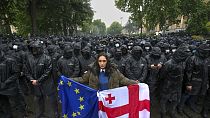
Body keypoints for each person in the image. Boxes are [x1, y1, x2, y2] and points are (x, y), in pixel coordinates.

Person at [71, 52, 138, 90]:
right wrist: (69, 80)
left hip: (110, 99)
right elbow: (82, 79)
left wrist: (135, 83)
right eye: (100, 61)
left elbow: (124, 80)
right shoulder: (92, 71)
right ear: (97, 62)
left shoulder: (114, 71)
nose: (102, 63)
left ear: (107, 61)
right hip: (97, 99)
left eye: (104, 61)